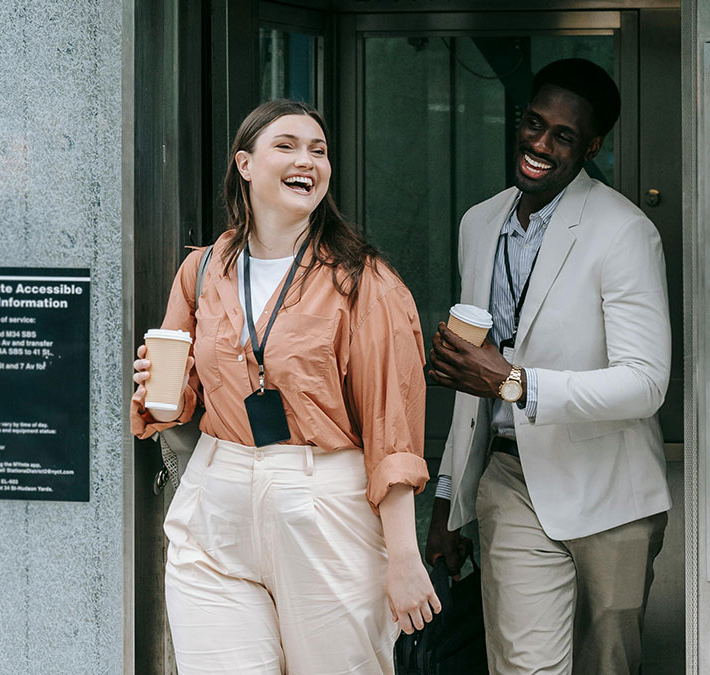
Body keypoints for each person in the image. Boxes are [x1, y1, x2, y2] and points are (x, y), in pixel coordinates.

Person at [130, 99, 439, 675]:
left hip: (323, 499)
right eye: (288, 146)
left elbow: (390, 429)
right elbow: (181, 400)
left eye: (318, 151)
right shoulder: (202, 270)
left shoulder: (365, 281)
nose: (308, 161)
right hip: (217, 497)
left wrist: (404, 556)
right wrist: (162, 387)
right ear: (244, 165)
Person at [426, 59, 672, 675]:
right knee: (522, 667)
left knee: (605, 667)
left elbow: (646, 382)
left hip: (609, 492)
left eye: (562, 136)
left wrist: (514, 382)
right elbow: (471, 382)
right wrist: (450, 497)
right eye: (534, 124)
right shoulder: (479, 223)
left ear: (591, 146)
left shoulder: (625, 233)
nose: (539, 144)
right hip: (511, 482)